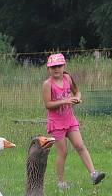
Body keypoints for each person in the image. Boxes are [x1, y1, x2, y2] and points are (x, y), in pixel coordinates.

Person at [42, 53, 105, 189]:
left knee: (80, 146)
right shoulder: (47, 84)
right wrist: (65, 100)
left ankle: (94, 174)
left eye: (59, 66)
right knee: (63, 152)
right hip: (56, 123)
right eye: (53, 67)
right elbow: (47, 104)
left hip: (70, 119)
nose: (56, 69)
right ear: (49, 69)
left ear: (64, 66)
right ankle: (61, 182)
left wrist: (77, 98)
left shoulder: (67, 78)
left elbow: (77, 92)